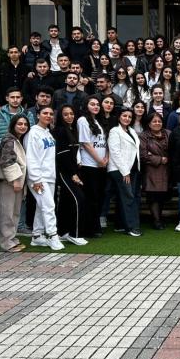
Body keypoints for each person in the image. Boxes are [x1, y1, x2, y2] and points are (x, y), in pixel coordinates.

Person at [25, 106, 65, 251]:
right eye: (45, 113)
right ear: (38, 115)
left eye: (50, 114)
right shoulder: (33, 133)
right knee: (49, 206)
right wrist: (36, 179)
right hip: (38, 177)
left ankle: (37, 236)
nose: (48, 116)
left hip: (49, 176)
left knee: (42, 206)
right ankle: (52, 235)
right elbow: (31, 157)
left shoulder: (48, 133)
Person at [54, 105, 88, 246]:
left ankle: (62, 232)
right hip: (64, 172)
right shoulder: (60, 131)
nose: (69, 116)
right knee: (78, 199)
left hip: (73, 170)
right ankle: (75, 234)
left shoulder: (72, 129)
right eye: (65, 114)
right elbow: (62, 155)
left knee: (65, 201)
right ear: (60, 116)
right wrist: (73, 174)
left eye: (71, 113)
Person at [107, 108, 143, 237]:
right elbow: (115, 152)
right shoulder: (114, 131)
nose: (127, 118)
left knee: (126, 197)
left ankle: (120, 225)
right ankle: (131, 227)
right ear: (119, 117)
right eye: (124, 116)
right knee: (128, 197)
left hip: (133, 169)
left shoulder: (131, 131)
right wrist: (125, 172)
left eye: (129, 116)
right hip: (120, 170)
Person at [77, 96, 109, 238]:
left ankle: (95, 226)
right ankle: (89, 229)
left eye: (97, 104)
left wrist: (106, 157)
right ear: (86, 106)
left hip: (101, 166)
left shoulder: (98, 121)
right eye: (92, 104)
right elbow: (85, 143)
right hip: (89, 165)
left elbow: (104, 142)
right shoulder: (83, 120)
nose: (96, 106)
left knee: (99, 197)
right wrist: (98, 160)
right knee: (91, 198)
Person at [0, 115, 29, 254]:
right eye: (19, 124)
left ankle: (11, 238)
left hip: (17, 180)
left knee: (15, 212)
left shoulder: (17, 139)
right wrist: (15, 180)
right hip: (8, 181)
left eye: (25, 124)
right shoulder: (9, 140)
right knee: (6, 212)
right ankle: (6, 242)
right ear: (13, 125)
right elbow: (7, 161)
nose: (23, 126)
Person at [139, 112, 170, 230]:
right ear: (149, 123)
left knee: (162, 196)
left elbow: (174, 150)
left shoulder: (168, 133)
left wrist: (153, 154)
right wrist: (160, 159)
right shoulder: (143, 136)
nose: (157, 123)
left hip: (167, 170)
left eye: (159, 121)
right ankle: (156, 221)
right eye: (154, 121)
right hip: (151, 170)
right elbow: (143, 155)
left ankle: (159, 218)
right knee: (153, 196)